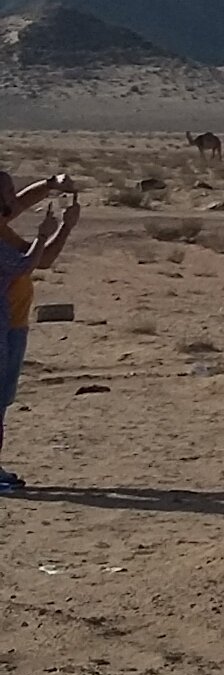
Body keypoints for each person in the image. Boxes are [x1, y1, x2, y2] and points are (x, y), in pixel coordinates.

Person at [0, 164, 80, 494]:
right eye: (7, 191)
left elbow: (22, 205)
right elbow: (31, 261)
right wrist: (53, 232)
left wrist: (50, 185)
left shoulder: (3, 227)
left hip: (13, 325)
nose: (14, 197)